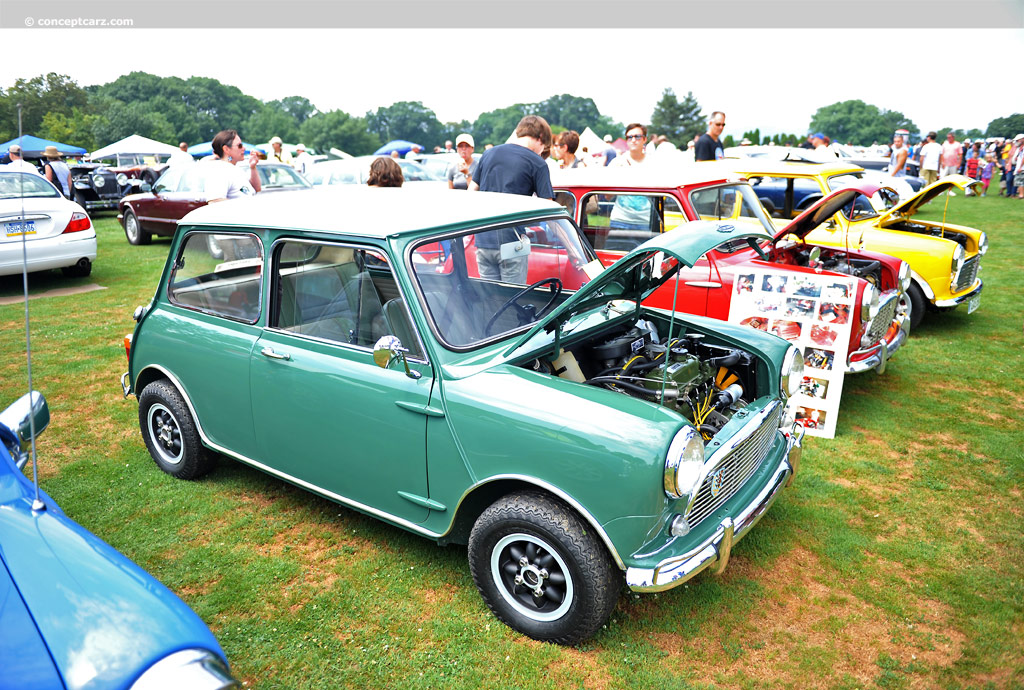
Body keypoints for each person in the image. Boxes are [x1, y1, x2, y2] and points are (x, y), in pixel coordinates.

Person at [468, 115, 553, 283]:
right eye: (544, 147)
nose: (542, 152)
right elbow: (548, 209)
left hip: (483, 240)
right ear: (541, 139)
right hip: (512, 243)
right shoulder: (537, 163)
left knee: (490, 300)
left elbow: (471, 192)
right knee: (511, 301)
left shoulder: (488, 154)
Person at [204, 129, 261, 201]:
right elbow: (215, 201)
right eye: (239, 145)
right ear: (226, 149)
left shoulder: (235, 169)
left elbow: (256, 189)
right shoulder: (219, 172)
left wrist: (253, 167)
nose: (244, 148)